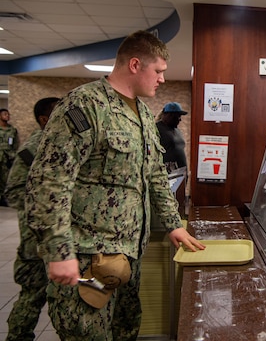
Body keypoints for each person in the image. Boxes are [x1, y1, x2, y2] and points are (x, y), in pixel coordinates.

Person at [25, 30, 204, 340]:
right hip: (86, 256)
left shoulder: (144, 116)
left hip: (127, 257)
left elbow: (155, 176)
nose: (162, 79)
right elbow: (48, 182)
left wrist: (174, 224)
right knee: (87, 333)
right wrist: (58, 251)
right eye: (158, 71)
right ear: (135, 64)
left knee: (125, 331)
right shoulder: (85, 106)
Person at [5, 97, 60, 341]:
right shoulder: (34, 147)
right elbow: (14, 192)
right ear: (44, 120)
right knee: (33, 294)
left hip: (61, 236)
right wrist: (46, 211)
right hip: (36, 237)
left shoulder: (62, 144)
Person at [156, 101, 188, 172]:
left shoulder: (177, 130)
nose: (180, 119)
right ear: (169, 115)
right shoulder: (156, 129)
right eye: (178, 116)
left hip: (180, 173)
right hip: (166, 173)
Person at [0, 108, 19, 206]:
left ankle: (3, 199)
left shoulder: (12, 130)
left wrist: (13, 155)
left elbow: (15, 144)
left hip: (7, 158)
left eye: (8, 114)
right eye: (5, 114)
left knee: (6, 179)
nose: (7, 116)